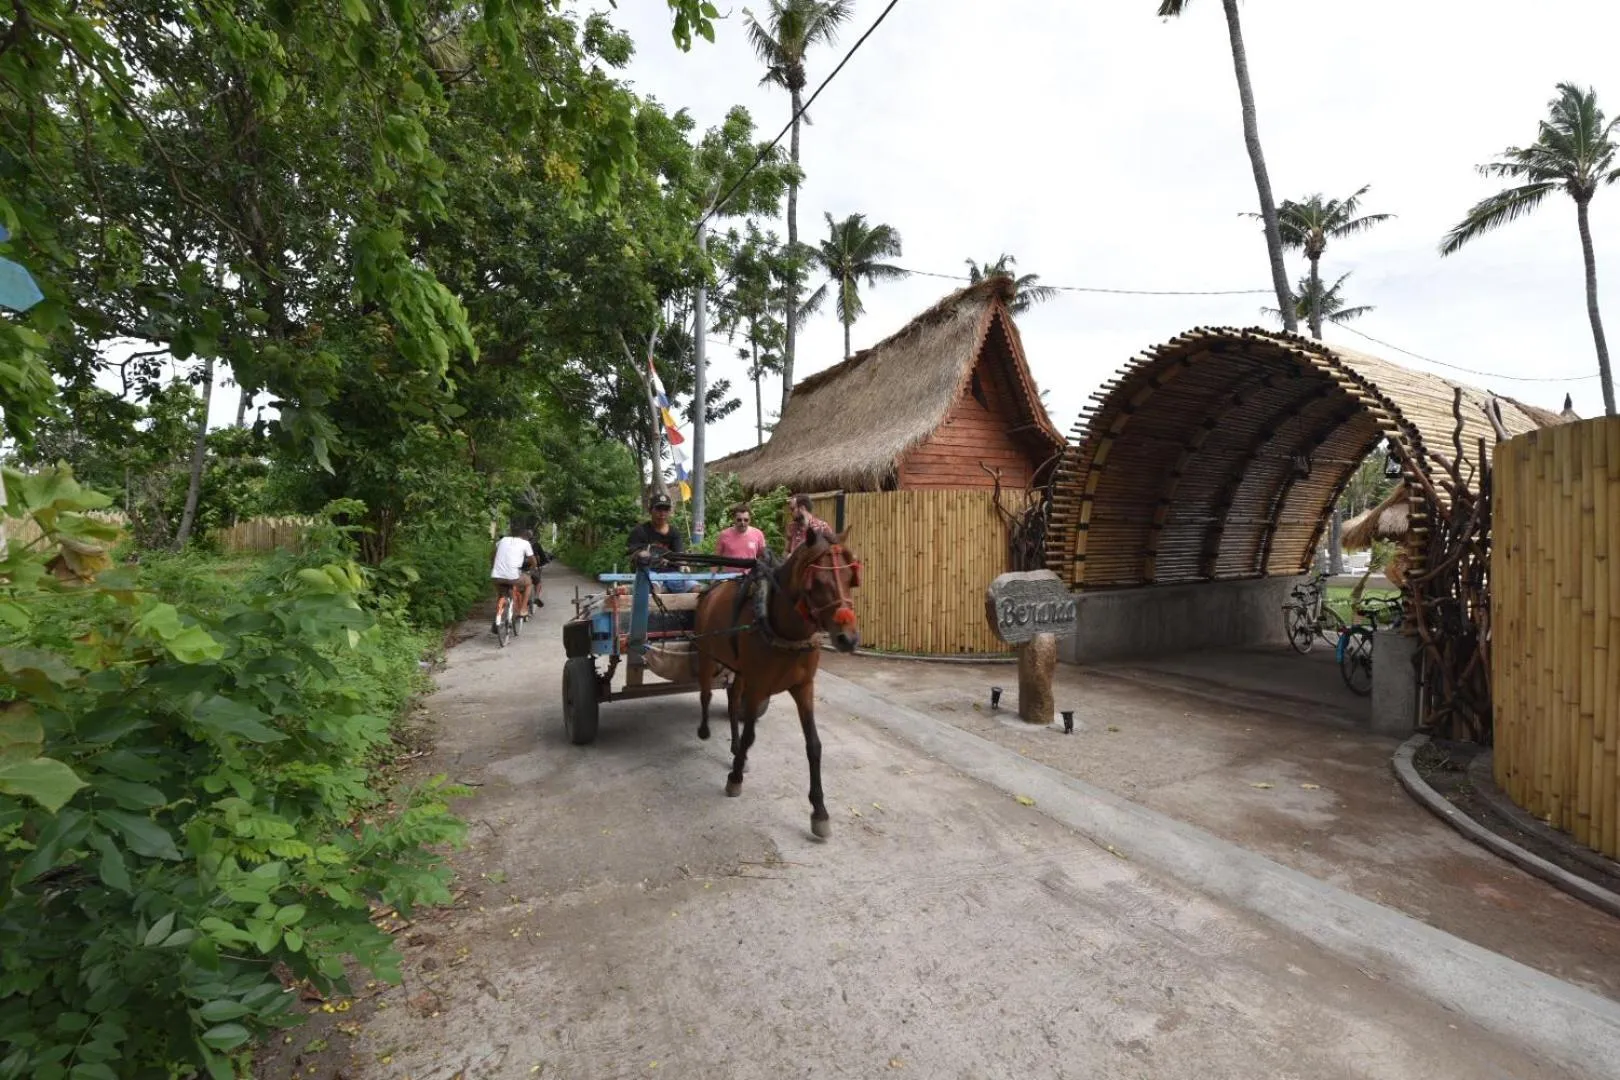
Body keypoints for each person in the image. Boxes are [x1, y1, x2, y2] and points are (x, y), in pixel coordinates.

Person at [626, 493, 700, 592]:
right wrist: (641, 554)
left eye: (666, 509)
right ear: (650, 511)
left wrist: (683, 564)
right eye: (659, 509)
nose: (662, 513)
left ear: (670, 512)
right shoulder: (640, 531)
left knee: (696, 588)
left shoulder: (674, 533)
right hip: (649, 573)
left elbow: (679, 555)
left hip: (672, 574)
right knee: (654, 588)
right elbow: (632, 554)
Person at [489, 528, 537, 633]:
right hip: (513, 577)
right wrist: (534, 567)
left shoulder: (503, 540)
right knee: (528, 583)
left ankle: (497, 617)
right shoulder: (525, 543)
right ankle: (523, 609)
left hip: (496, 576)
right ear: (526, 537)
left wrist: (493, 567)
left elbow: (493, 555)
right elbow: (532, 559)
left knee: (501, 594)